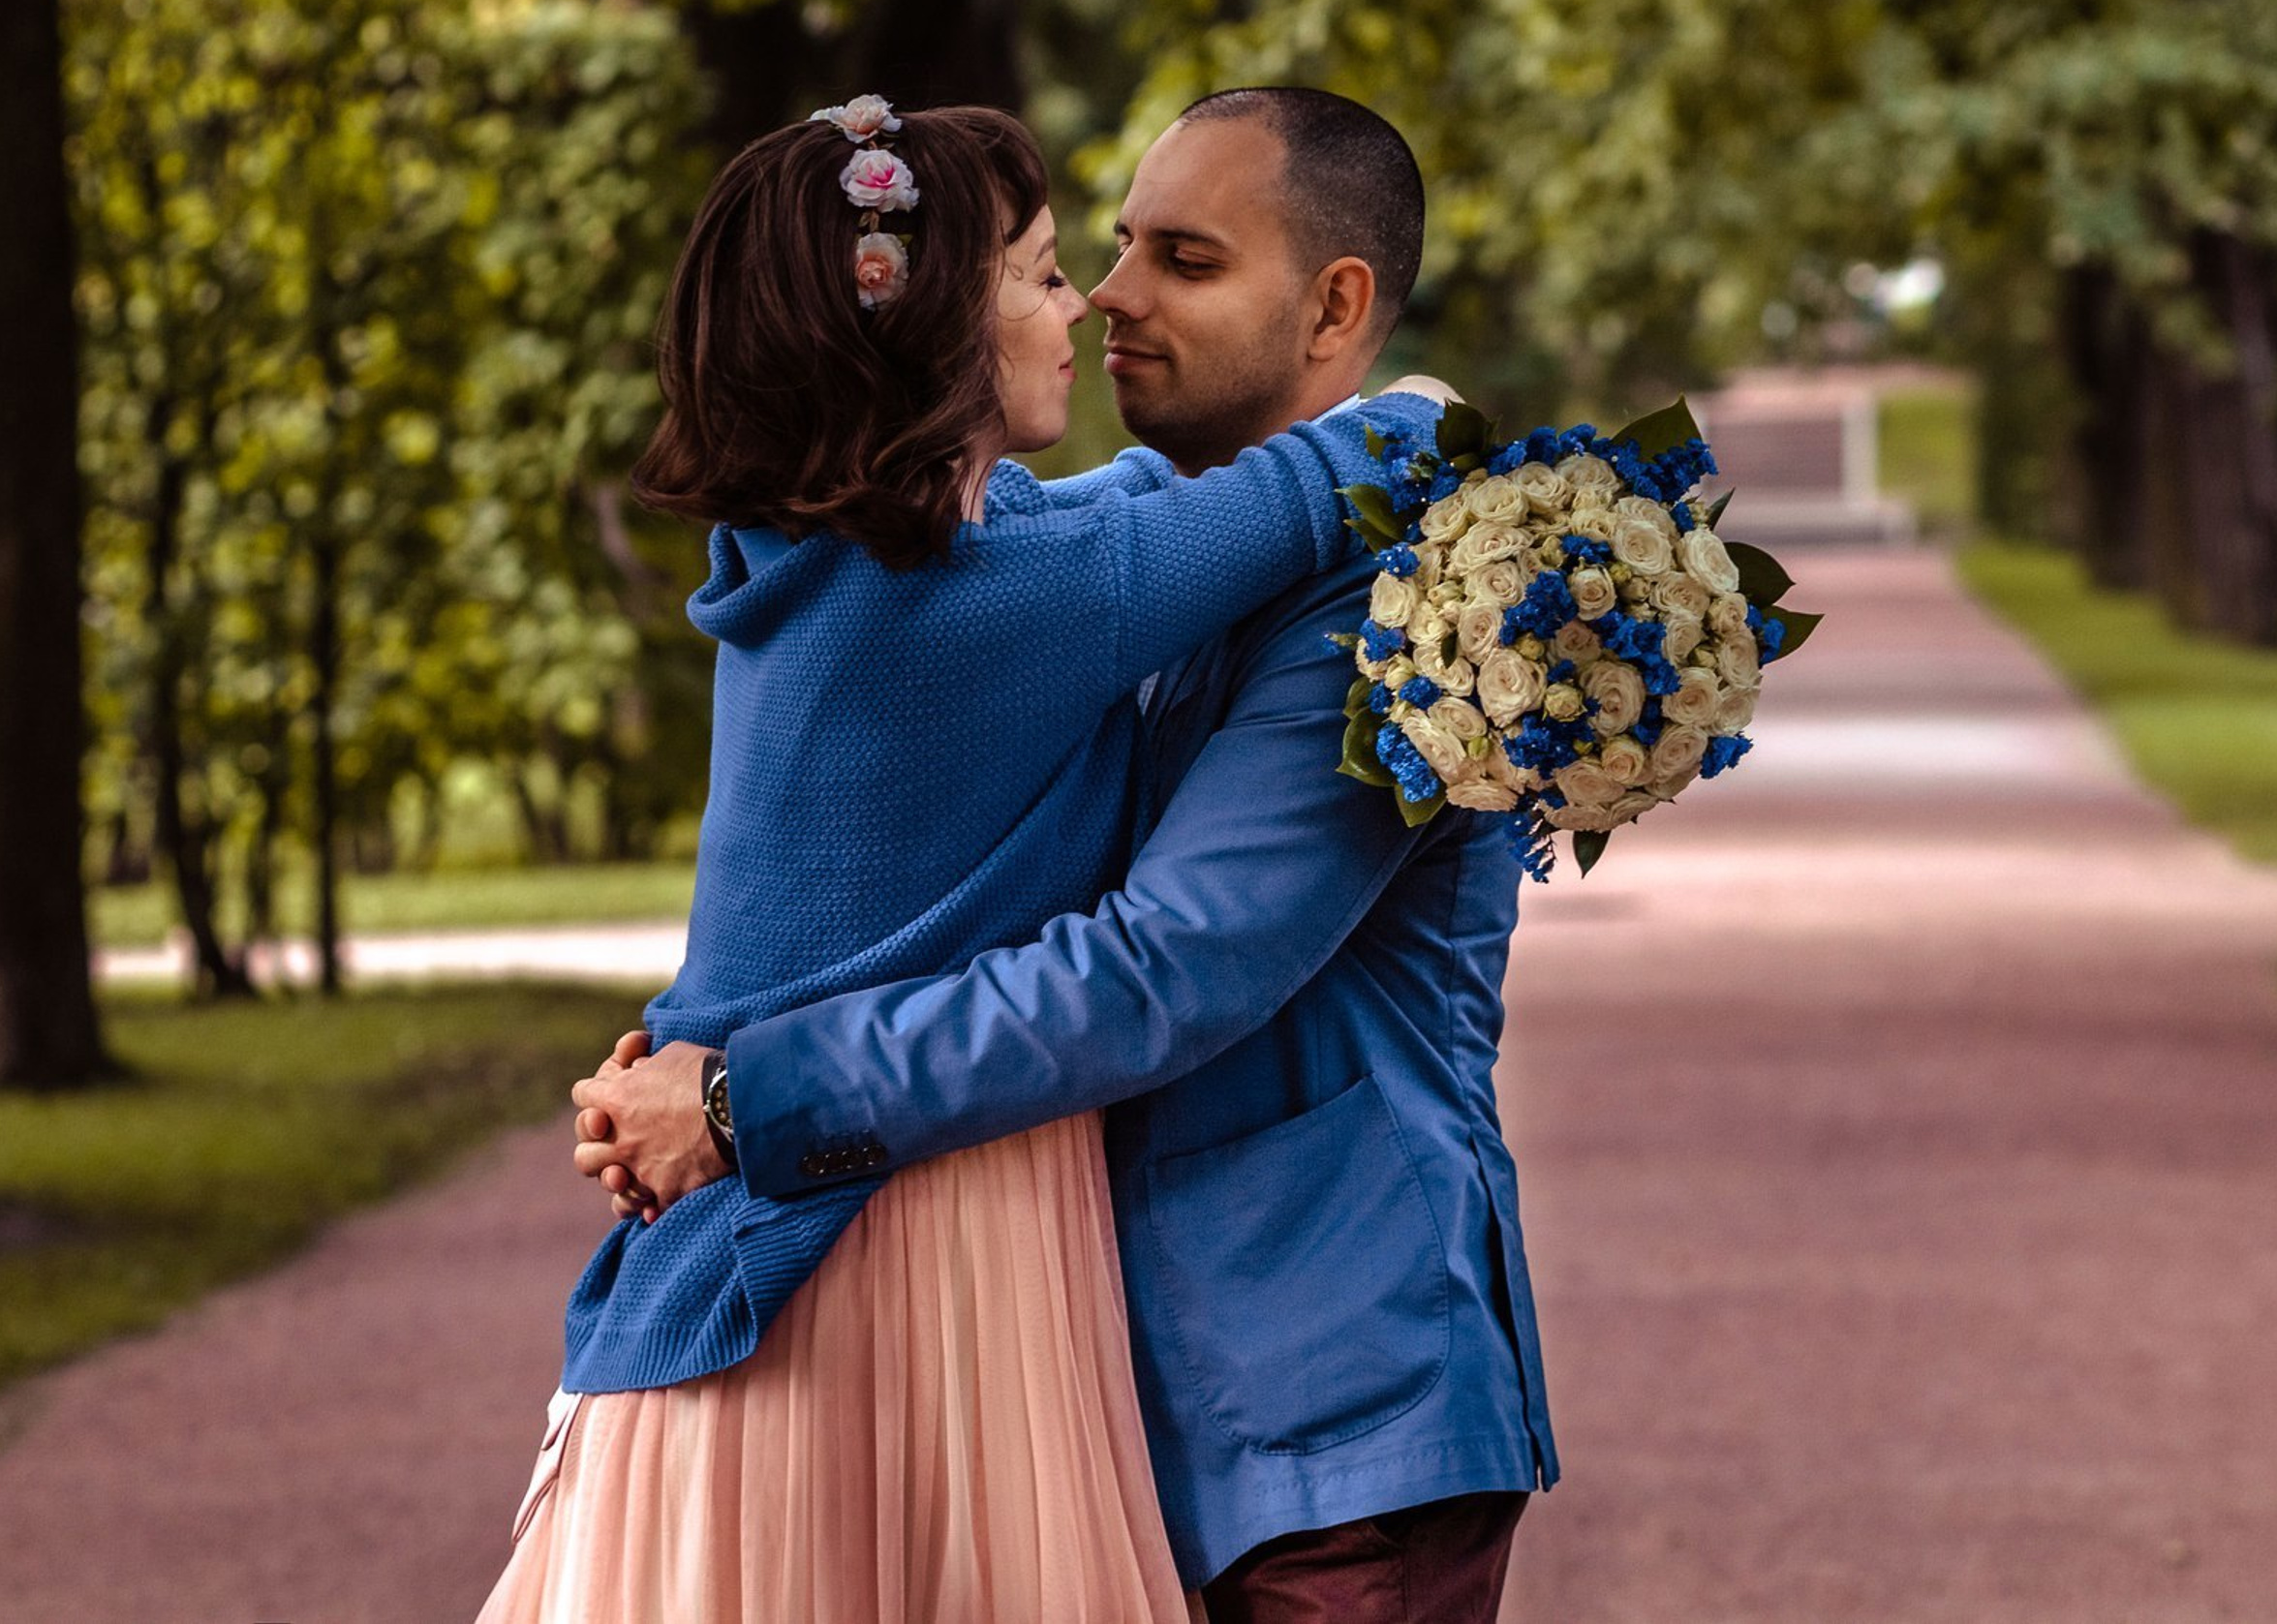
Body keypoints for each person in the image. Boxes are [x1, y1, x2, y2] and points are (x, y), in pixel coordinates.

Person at [578, 90, 1557, 1624]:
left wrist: (725, 1086)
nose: (1106, 296)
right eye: (1088, 255)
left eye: (1184, 258)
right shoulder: (1063, 568)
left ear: (1335, 305)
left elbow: (1160, 970)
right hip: (1101, 1381)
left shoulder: (1394, 597)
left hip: (1318, 1404)